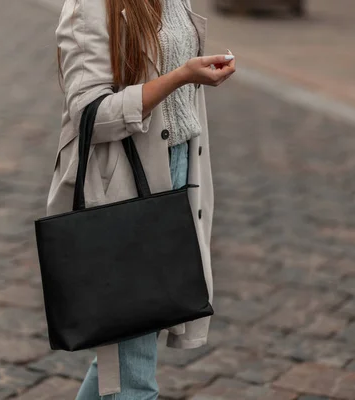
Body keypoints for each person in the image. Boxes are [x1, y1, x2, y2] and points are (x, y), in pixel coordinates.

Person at [48, 0, 235, 398]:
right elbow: (88, 114)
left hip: (180, 169)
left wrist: (192, 73)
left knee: (127, 348)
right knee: (134, 376)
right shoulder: (90, 6)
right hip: (124, 185)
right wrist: (180, 76)